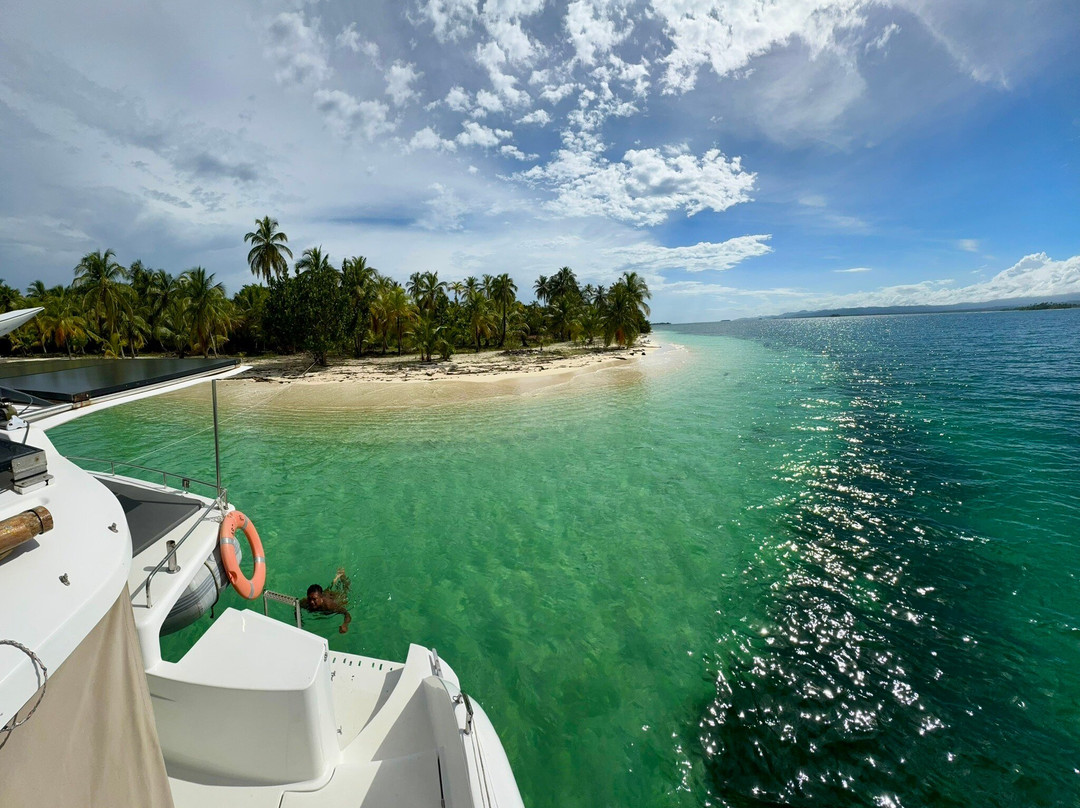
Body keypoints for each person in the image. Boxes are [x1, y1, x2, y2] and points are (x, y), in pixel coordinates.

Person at [300, 568, 352, 633]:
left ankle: (342, 576)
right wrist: (299, 620)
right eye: (309, 599)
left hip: (334, 598)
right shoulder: (305, 602)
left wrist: (345, 625)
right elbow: (297, 606)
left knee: (345, 592)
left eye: (314, 599)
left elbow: (346, 613)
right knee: (327, 590)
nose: (311, 602)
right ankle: (335, 579)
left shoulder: (329, 605)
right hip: (324, 594)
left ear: (321, 598)